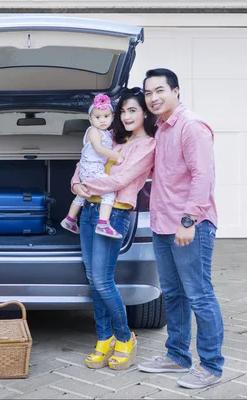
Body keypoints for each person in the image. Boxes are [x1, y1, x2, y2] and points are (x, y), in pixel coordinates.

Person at [136, 68, 225, 390]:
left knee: (199, 295)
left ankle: (211, 366)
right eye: (148, 93)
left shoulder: (191, 126)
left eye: (160, 90)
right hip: (162, 224)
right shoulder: (160, 129)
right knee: (172, 294)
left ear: (176, 91)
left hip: (190, 225)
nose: (153, 98)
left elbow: (203, 177)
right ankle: (176, 356)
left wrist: (189, 221)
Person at [70, 87, 157, 370]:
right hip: (89, 212)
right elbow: (85, 162)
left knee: (103, 279)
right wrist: (75, 184)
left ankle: (124, 338)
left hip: (114, 214)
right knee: (93, 279)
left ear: (145, 112)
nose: (126, 116)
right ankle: (103, 338)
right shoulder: (112, 138)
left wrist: (86, 187)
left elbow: (120, 179)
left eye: (133, 110)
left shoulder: (147, 146)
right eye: (123, 111)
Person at [60, 94, 125, 239]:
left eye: (106, 116)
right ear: (90, 119)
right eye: (97, 117)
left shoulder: (107, 133)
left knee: (82, 194)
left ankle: (70, 219)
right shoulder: (93, 131)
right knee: (109, 193)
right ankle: (103, 224)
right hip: (92, 169)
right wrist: (117, 156)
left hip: (89, 170)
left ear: (113, 117)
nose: (102, 120)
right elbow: (99, 148)